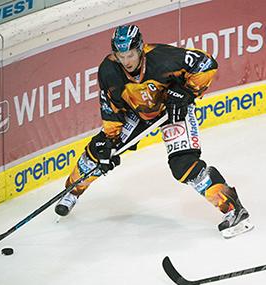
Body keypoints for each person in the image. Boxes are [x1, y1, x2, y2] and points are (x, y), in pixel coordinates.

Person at [54, 24, 254, 238]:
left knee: (183, 165)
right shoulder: (108, 70)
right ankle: (72, 191)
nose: (126, 61)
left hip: (173, 109)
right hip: (138, 113)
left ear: (140, 49)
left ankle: (235, 211)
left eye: (130, 55)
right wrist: (110, 143)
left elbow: (206, 63)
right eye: (121, 56)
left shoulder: (163, 58)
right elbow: (110, 108)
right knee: (98, 149)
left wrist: (186, 92)